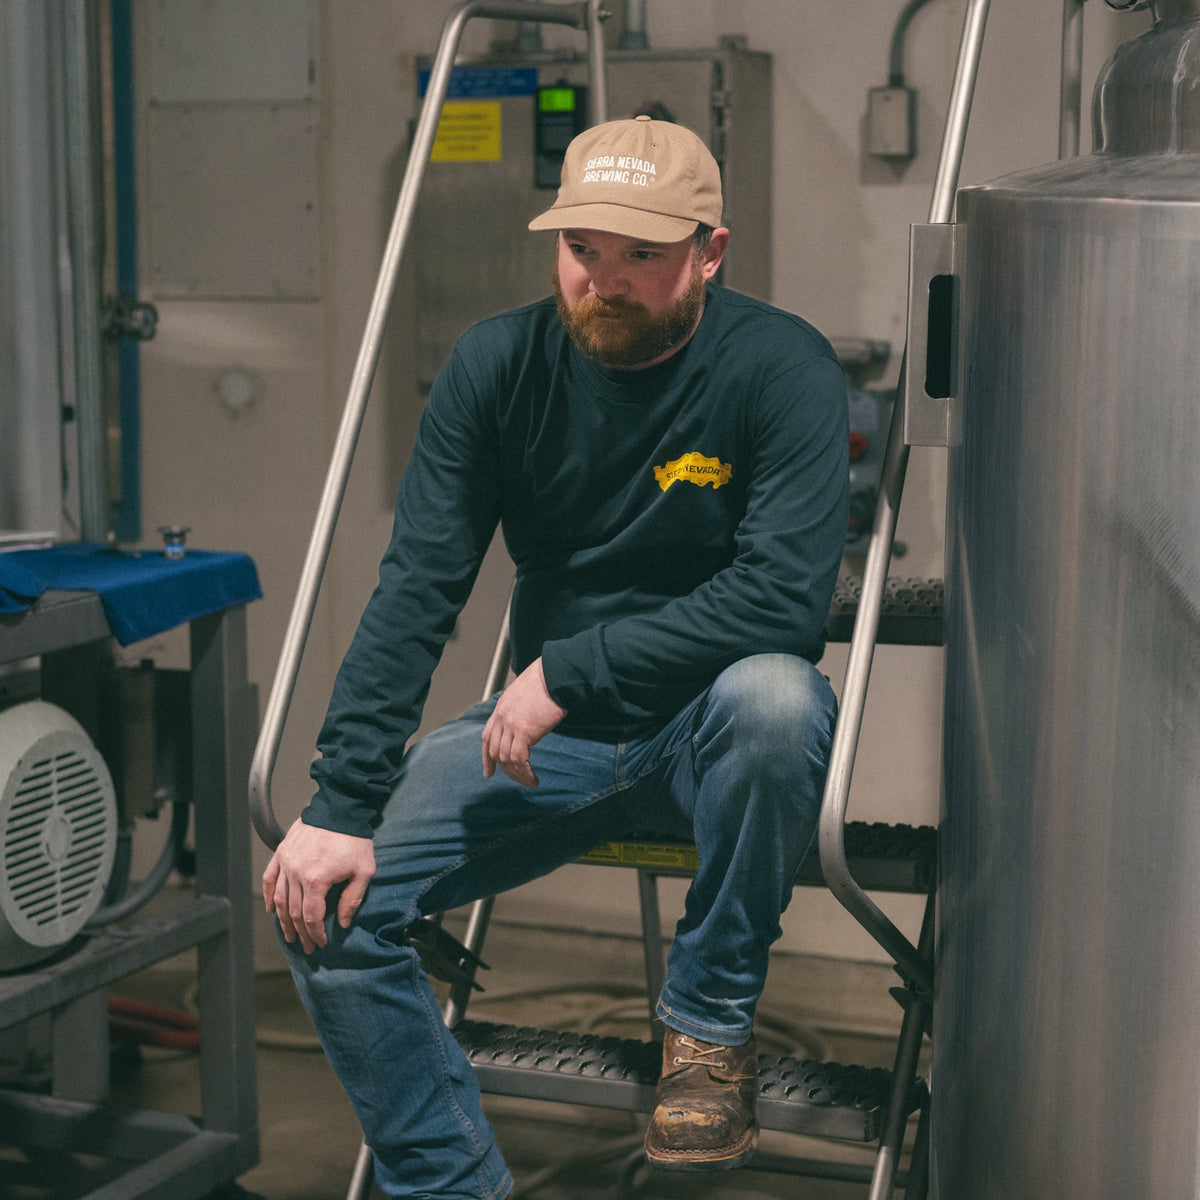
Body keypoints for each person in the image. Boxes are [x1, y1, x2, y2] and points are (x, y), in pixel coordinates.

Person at [263, 114, 849, 1197]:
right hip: (550, 750)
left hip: (702, 740)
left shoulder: (781, 367)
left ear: (710, 253)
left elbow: (782, 600)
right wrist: (339, 801)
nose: (605, 280)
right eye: (584, 249)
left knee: (778, 699)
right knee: (322, 899)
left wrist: (569, 672)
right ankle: (448, 1182)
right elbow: (418, 589)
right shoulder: (498, 364)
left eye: (642, 255)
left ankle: (709, 1033)